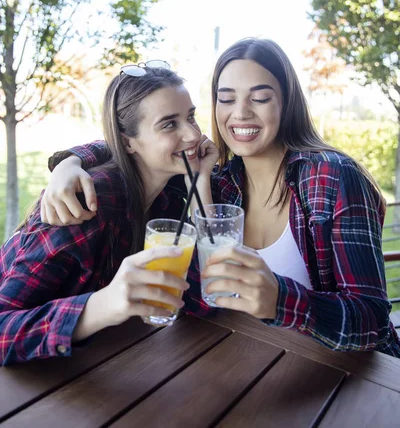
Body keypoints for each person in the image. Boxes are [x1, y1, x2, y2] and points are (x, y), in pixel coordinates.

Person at [41, 39, 400, 357]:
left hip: (341, 380)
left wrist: (280, 299)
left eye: (260, 98)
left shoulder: (332, 178)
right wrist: (70, 161)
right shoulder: (220, 181)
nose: (241, 112)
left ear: (286, 102)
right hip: (236, 363)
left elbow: (372, 321)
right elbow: (142, 139)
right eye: (226, 99)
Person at [0, 62, 215, 365]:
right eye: (169, 124)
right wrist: (101, 306)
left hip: (95, 369)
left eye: (191, 117)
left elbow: (206, 296)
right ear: (128, 142)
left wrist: (200, 181)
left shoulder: (170, 194)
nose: (193, 135)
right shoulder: (90, 202)